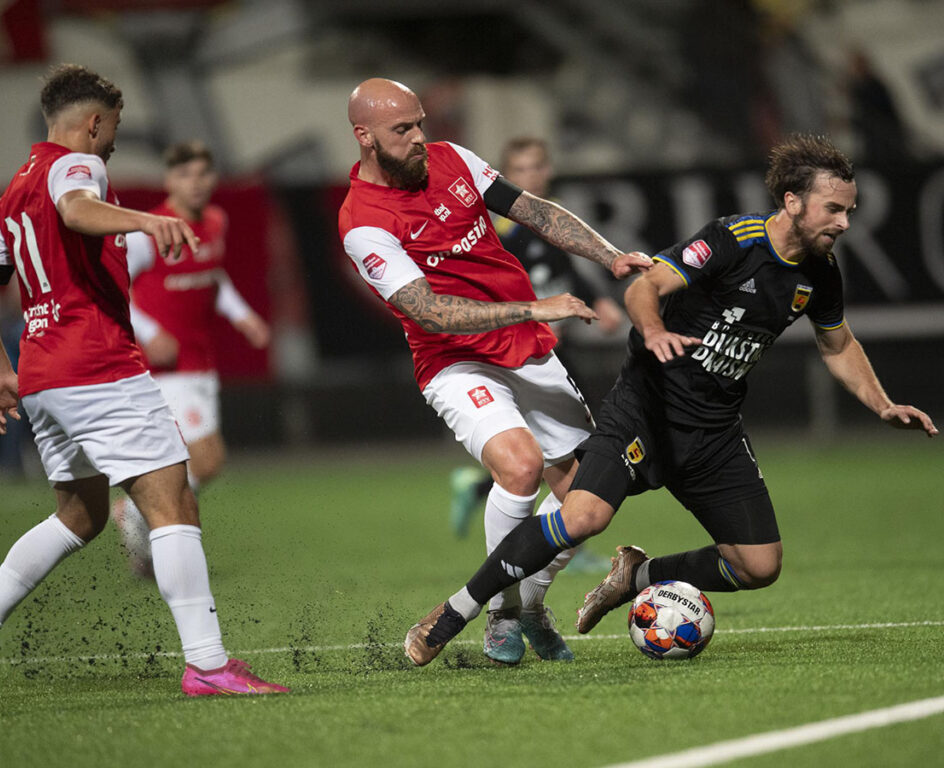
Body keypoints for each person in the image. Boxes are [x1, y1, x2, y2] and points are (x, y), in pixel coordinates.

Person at [405, 133, 938, 666]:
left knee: (759, 566)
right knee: (582, 515)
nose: (844, 223)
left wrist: (882, 405)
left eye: (849, 211)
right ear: (793, 202)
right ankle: (455, 611)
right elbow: (644, 287)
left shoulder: (821, 272)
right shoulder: (733, 240)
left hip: (715, 431)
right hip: (646, 409)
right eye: (834, 209)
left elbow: (837, 343)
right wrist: (655, 330)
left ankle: (635, 577)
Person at [0, 64, 287, 698]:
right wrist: (146, 220)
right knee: (173, 504)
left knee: (80, 515)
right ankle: (208, 665)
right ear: (94, 123)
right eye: (115, 131)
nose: (113, 145)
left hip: (42, 375)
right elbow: (75, 209)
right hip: (97, 366)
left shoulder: (13, 190)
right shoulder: (79, 166)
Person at [338, 78, 651, 665]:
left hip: (527, 348)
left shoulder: (452, 159)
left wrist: (609, 256)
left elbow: (533, 210)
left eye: (419, 122)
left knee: (589, 503)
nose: (419, 137)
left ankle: (528, 603)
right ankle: (501, 616)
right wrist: (534, 307)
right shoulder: (362, 222)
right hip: (454, 360)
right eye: (402, 129)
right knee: (520, 465)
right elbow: (429, 311)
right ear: (365, 136)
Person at [449, 137, 624, 548]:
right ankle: (554, 540)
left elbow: (565, 269)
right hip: (515, 350)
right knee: (562, 453)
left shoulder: (549, 214)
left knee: (565, 450)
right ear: (505, 176)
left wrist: (597, 298)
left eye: (536, 167)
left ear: (548, 170)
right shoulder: (497, 229)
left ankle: (487, 494)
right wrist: (535, 312)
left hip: (551, 346)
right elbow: (494, 286)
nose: (531, 176)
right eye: (521, 170)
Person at [111, 140, 270, 577]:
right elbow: (116, 288)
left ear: (213, 178)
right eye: (184, 175)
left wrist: (242, 316)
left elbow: (213, 276)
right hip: (164, 367)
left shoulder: (216, 222)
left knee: (193, 464)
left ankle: (145, 533)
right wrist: (150, 332)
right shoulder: (152, 231)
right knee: (206, 460)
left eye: (202, 173)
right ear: (169, 180)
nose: (194, 183)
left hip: (200, 361)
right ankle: (139, 516)